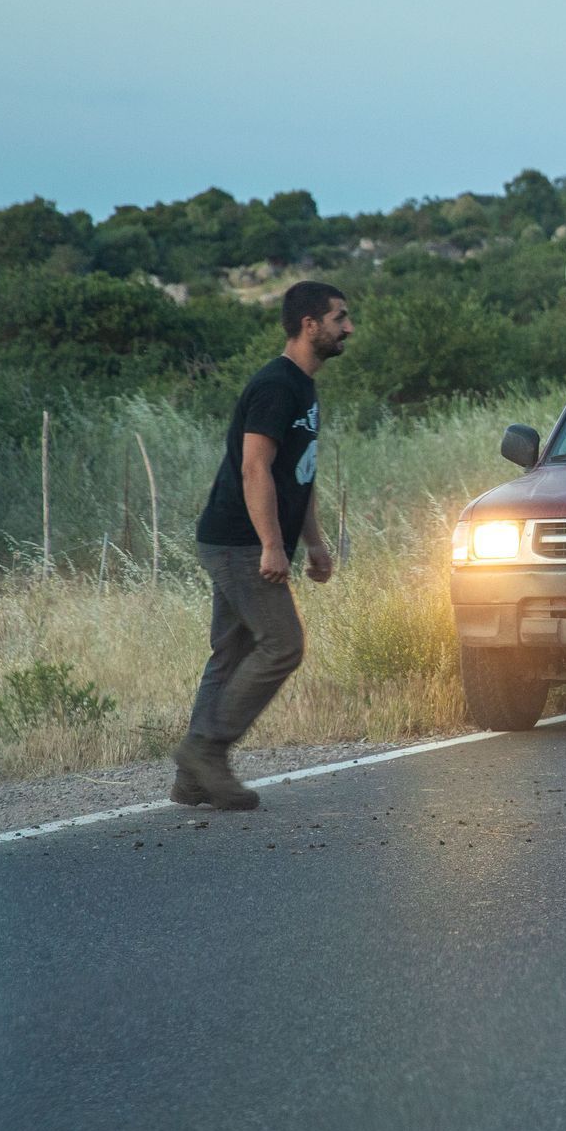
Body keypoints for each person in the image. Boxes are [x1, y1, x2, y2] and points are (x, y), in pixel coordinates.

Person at [173, 281, 351, 810]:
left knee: (231, 654)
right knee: (283, 644)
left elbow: (300, 474)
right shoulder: (277, 386)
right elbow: (255, 466)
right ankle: (206, 750)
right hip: (238, 542)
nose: (349, 328)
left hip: (243, 539)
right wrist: (272, 546)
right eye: (340, 317)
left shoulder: (304, 387)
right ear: (309, 325)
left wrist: (314, 543)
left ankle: (192, 778)